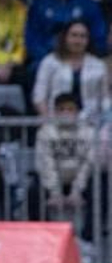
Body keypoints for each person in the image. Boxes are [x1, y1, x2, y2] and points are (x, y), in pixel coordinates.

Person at [35, 93, 97, 236]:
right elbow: (46, 163)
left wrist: (77, 191)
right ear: (55, 112)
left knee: (100, 190)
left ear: (77, 111)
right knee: (34, 192)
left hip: (80, 179)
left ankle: (89, 238)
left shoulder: (89, 132)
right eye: (61, 109)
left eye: (70, 109)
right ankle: (42, 236)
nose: (65, 113)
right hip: (54, 179)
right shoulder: (45, 132)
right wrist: (54, 192)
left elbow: (88, 164)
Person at [32, 20, 110, 119]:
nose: (78, 40)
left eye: (83, 36)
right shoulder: (49, 62)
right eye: (74, 35)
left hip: (91, 125)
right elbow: (39, 97)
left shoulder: (98, 65)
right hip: (54, 123)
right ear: (65, 37)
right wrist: (48, 120)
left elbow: (105, 99)